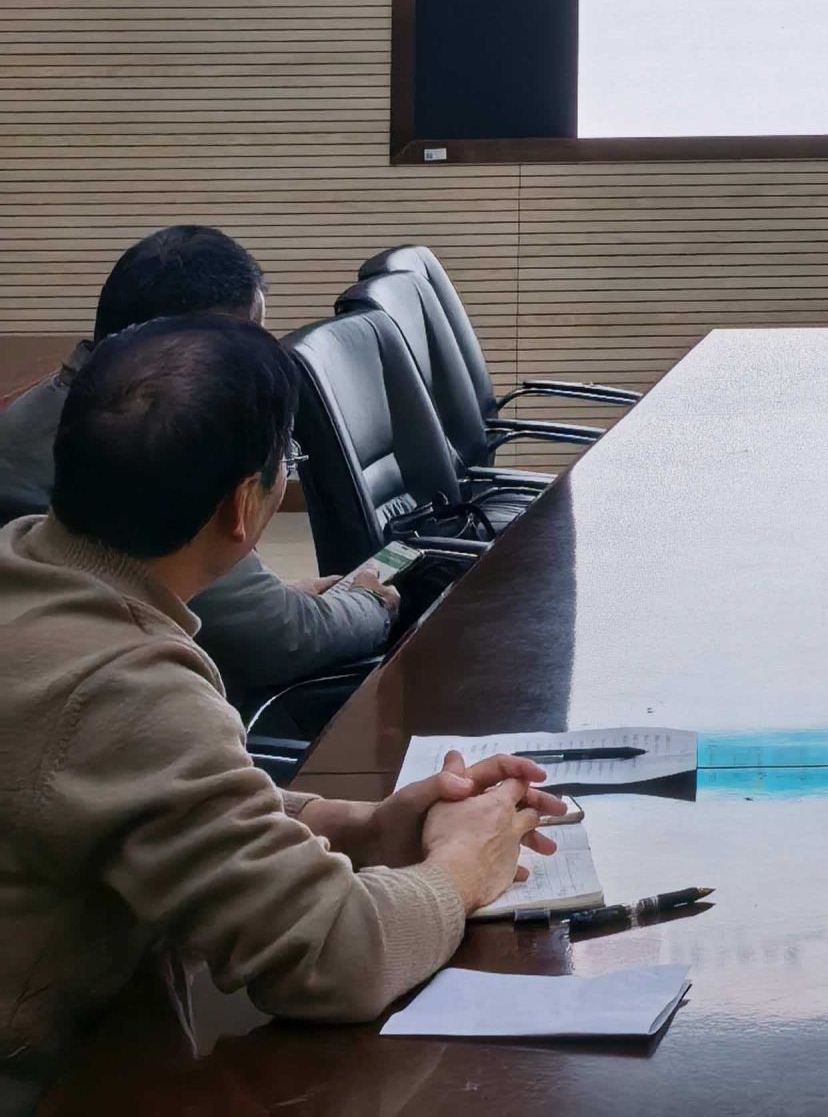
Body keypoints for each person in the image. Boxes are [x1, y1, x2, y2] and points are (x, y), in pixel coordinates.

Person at [0, 315, 567, 1103]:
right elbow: (336, 959)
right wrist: (462, 868)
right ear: (243, 507)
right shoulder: (126, 681)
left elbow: (138, 793)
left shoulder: (27, 561)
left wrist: (355, 825)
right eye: (285, 465)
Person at [0, 225, 394, 710]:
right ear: (188, 350)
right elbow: (275, 639)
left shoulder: (54, 409)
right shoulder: (146, 440)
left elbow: (217, 605)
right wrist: (369, 603)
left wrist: (282, 596)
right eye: (246, 336)